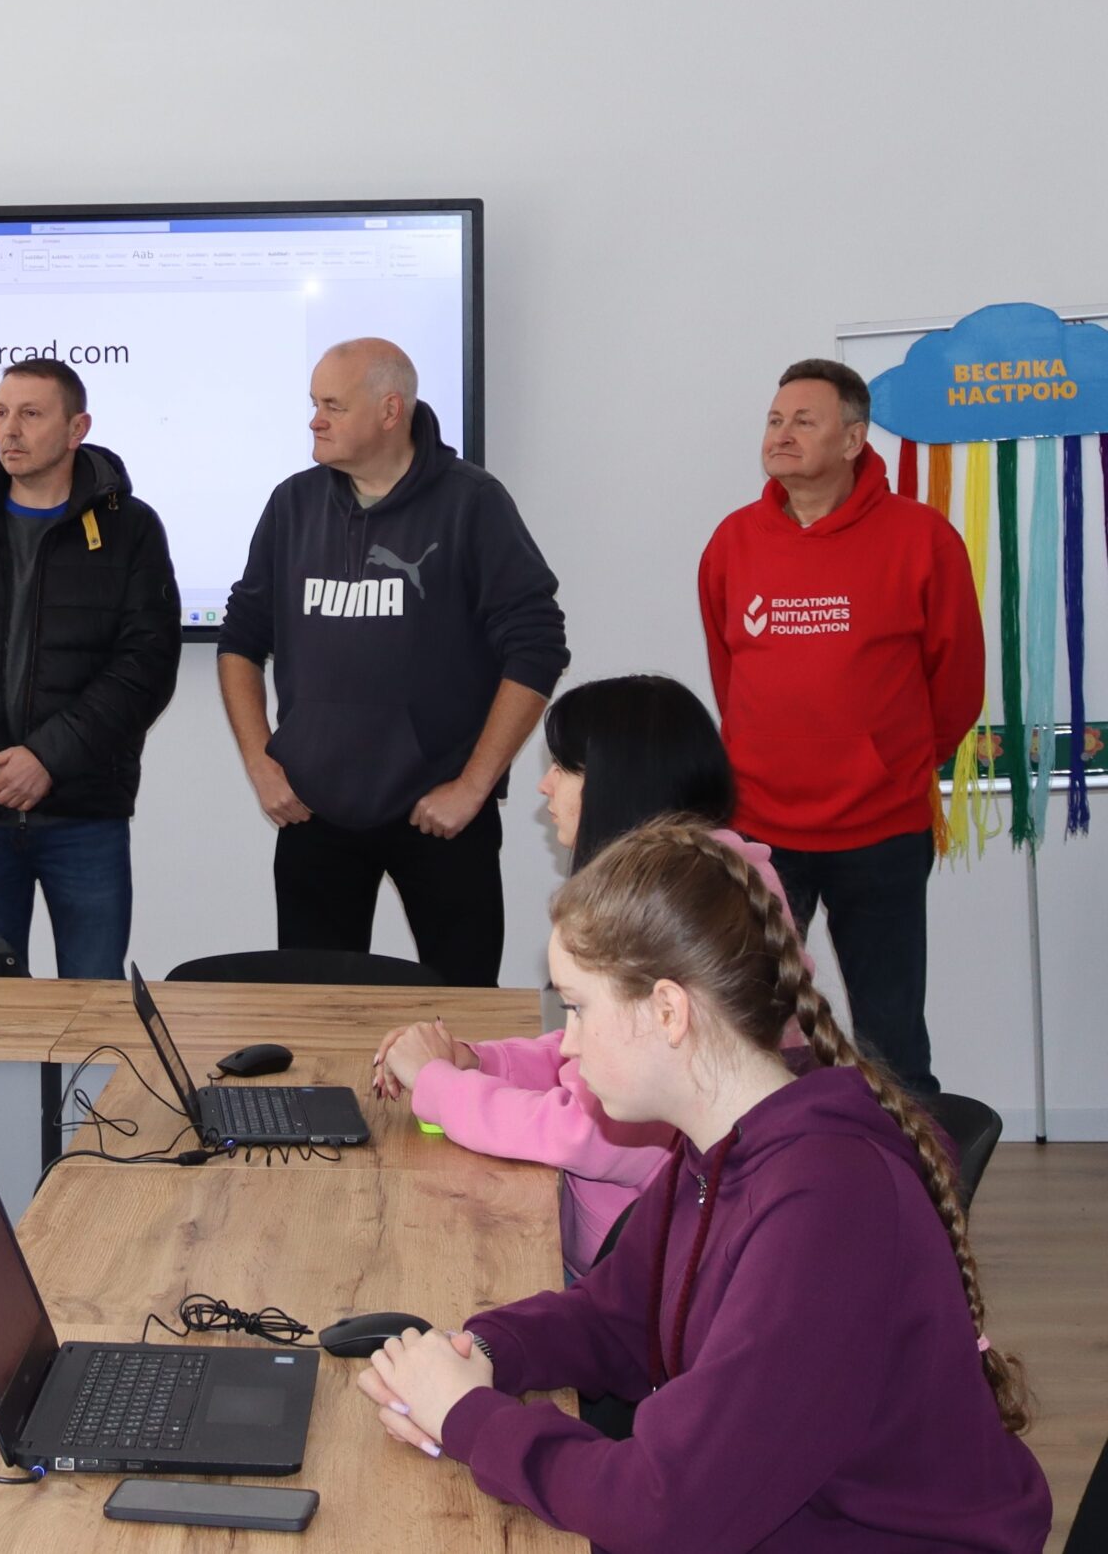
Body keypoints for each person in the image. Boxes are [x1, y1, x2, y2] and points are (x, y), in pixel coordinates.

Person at [355, 823, 1050, 1553]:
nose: (568, 1042)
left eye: (579, 1008)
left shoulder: (830, 1207)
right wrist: (485, 1350)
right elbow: (618, 1316)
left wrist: (469, 1418)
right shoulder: (722, 1145)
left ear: (668, 1010)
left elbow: (668, 1507)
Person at [372, 673, 797, 1277]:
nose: (544, 785)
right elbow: (591, 1052)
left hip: (625, 1274)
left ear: (616, 782)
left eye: (564, 768)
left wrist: (438, 1085)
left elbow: (585, 1132)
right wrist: (478, 1060)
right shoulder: (712, 884)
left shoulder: (674, 919)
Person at [217, 337, 568, 985]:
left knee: (461, 1008)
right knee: (314, 1011)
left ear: (389, 410)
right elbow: (240, 638)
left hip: (440, 816)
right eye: (314, 404)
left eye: (332, 405)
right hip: (314, 814)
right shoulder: (293, 505)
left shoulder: (472, 503)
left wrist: (474, 785)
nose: (315, 420)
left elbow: (538, 644)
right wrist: (260, 762)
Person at [697, 359, 980, 1096]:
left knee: (891, 1038)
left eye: (804, 421)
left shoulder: (922, 538)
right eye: (774, 420)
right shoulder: (733, 542)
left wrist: (891, 763)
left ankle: (911, 1169)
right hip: (761, 832)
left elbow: (957, 685)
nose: (781, 434)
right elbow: (731, 677)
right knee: (751, 1031)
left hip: (881, 831)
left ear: (854, 439)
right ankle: (769, 1167)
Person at [0, 359, 180, 979]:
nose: (9, 430)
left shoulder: (131, 529)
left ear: (77, 429)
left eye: (30, 414)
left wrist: (46, 758)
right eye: (0, 413)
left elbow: (146, 666)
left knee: (94, 1002)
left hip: (85, 814)